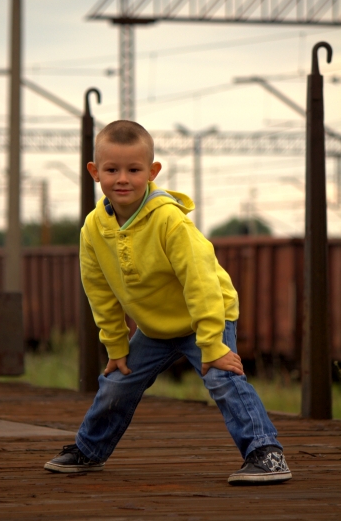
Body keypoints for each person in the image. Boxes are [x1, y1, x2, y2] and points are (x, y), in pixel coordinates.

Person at [44, 120, 292, 485]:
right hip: (156, 327)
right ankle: (89, 450)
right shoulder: (93, 230)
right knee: (117, 381)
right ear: (95, 173)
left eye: (134, 170)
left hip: (205, 317)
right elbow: (99, 291)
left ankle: (265, 453)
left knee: (222, 377)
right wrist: (115, 346)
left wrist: (212, 343)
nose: (123, 179)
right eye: (112, 170)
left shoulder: (169, 222)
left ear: (152, 171)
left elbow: (202, 281)